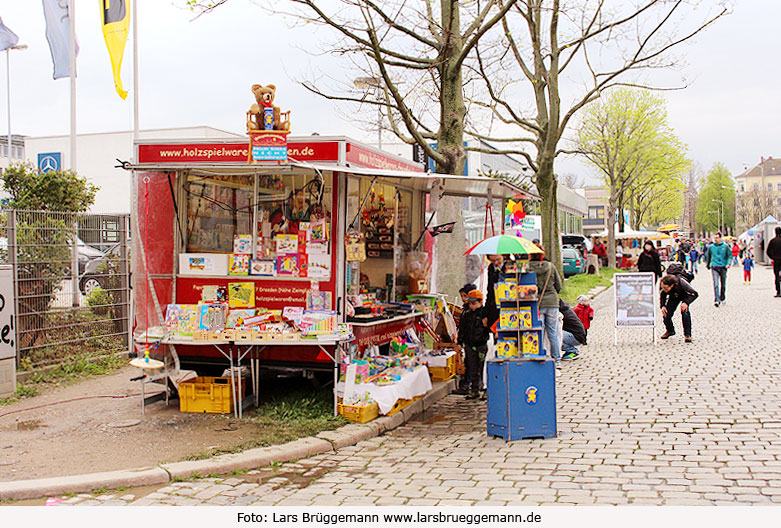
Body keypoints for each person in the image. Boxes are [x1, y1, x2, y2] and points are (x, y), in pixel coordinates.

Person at [528, 242, 563, 366]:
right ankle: (557, 360)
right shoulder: (550, 266)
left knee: (539, 331)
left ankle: (541, 356)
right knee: (553, 333)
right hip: (552, 302)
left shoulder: (527, 267)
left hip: (536, 303)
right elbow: (559, 286)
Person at [457, 289, 490, 399]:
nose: (472, 306)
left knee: (483, 368)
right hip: (469, 345)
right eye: (470, 303)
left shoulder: (484, 313)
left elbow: (488, 329)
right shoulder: (466, 314)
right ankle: (474, 389)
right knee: (472, 368)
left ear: (480, 302)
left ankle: (485, 389)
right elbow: (462, 329)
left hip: (481, 344)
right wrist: (459, 342)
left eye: (474, 303)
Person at [659, 274, 698, 343]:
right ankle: (670, 330)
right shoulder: (662, 284)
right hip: (673, 297)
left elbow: (695, 294)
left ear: (672, 285)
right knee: (666, 314)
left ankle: (687, 335)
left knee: (685, 313)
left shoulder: (682, 283)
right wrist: (663, 306)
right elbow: (662, 295)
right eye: (663, 288)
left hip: (685, 295)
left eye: (666, 288)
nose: (664, 289)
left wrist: (686, 302)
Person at [454, 283, 477, 395]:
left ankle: (469, 385)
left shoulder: (472, 311)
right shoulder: (466, 310)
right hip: (468, 341)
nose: (463, 299)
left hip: (473, 341)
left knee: (471, 364)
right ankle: (468, 385)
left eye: (464, 296)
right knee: (468, 363)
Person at [705, 232, 732, 307]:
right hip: (714, 266)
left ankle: (722, 297)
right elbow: (708, 257)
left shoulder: (725, 246)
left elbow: (730, 256)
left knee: (723, 284)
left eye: (717, 237)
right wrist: (708, 265)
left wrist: (728, 264)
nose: (715, 239)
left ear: (720, 238)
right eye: (715, 238)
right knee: (716, 284)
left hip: (723, 267)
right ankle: (717, 299)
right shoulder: (711, 247)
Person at [485, 254, 505, 331]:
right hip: (494, 307)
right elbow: (490, 291)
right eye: (493, 261)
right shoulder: (491, 268)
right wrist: (486, 313)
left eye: (498, 259)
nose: (496, 263)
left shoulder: (510, 267)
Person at [767, 226, 781, 298]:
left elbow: (768, 251)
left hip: (776, 260)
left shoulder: (773, 241)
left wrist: (773, 257)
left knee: (777, 275)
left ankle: (778, 291)